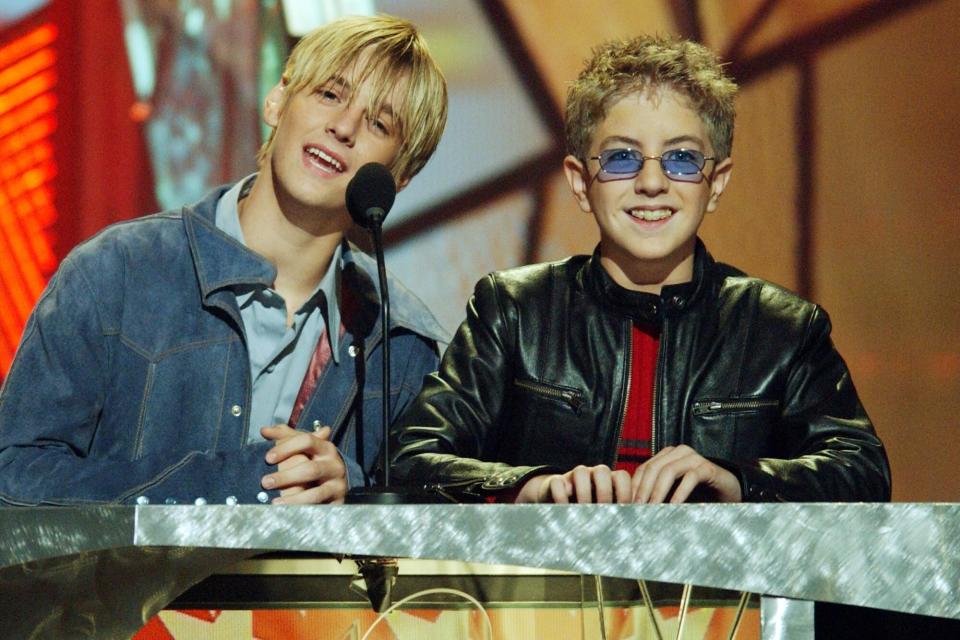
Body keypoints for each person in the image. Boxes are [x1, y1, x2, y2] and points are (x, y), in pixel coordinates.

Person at [392, 34, 890, 504]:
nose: (652, 182)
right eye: (623, 157)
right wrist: (530, 489)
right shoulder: (514, 310)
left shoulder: (781, 329)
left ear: (715, 183)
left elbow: (863, 472)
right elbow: (409, 461)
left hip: (719, 594)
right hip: (547, 592)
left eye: (680, 159)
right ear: (581, 182)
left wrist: (735, 481)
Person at [0, 14, 449, 506]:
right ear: (277, 100)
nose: (343, 127)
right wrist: (227, 486)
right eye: (330, 95)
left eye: (378, 124)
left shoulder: (405, 344)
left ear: (400, 175)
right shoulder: (116, 273)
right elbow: (14, 479)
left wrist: (355, 494)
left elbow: (427, 532)